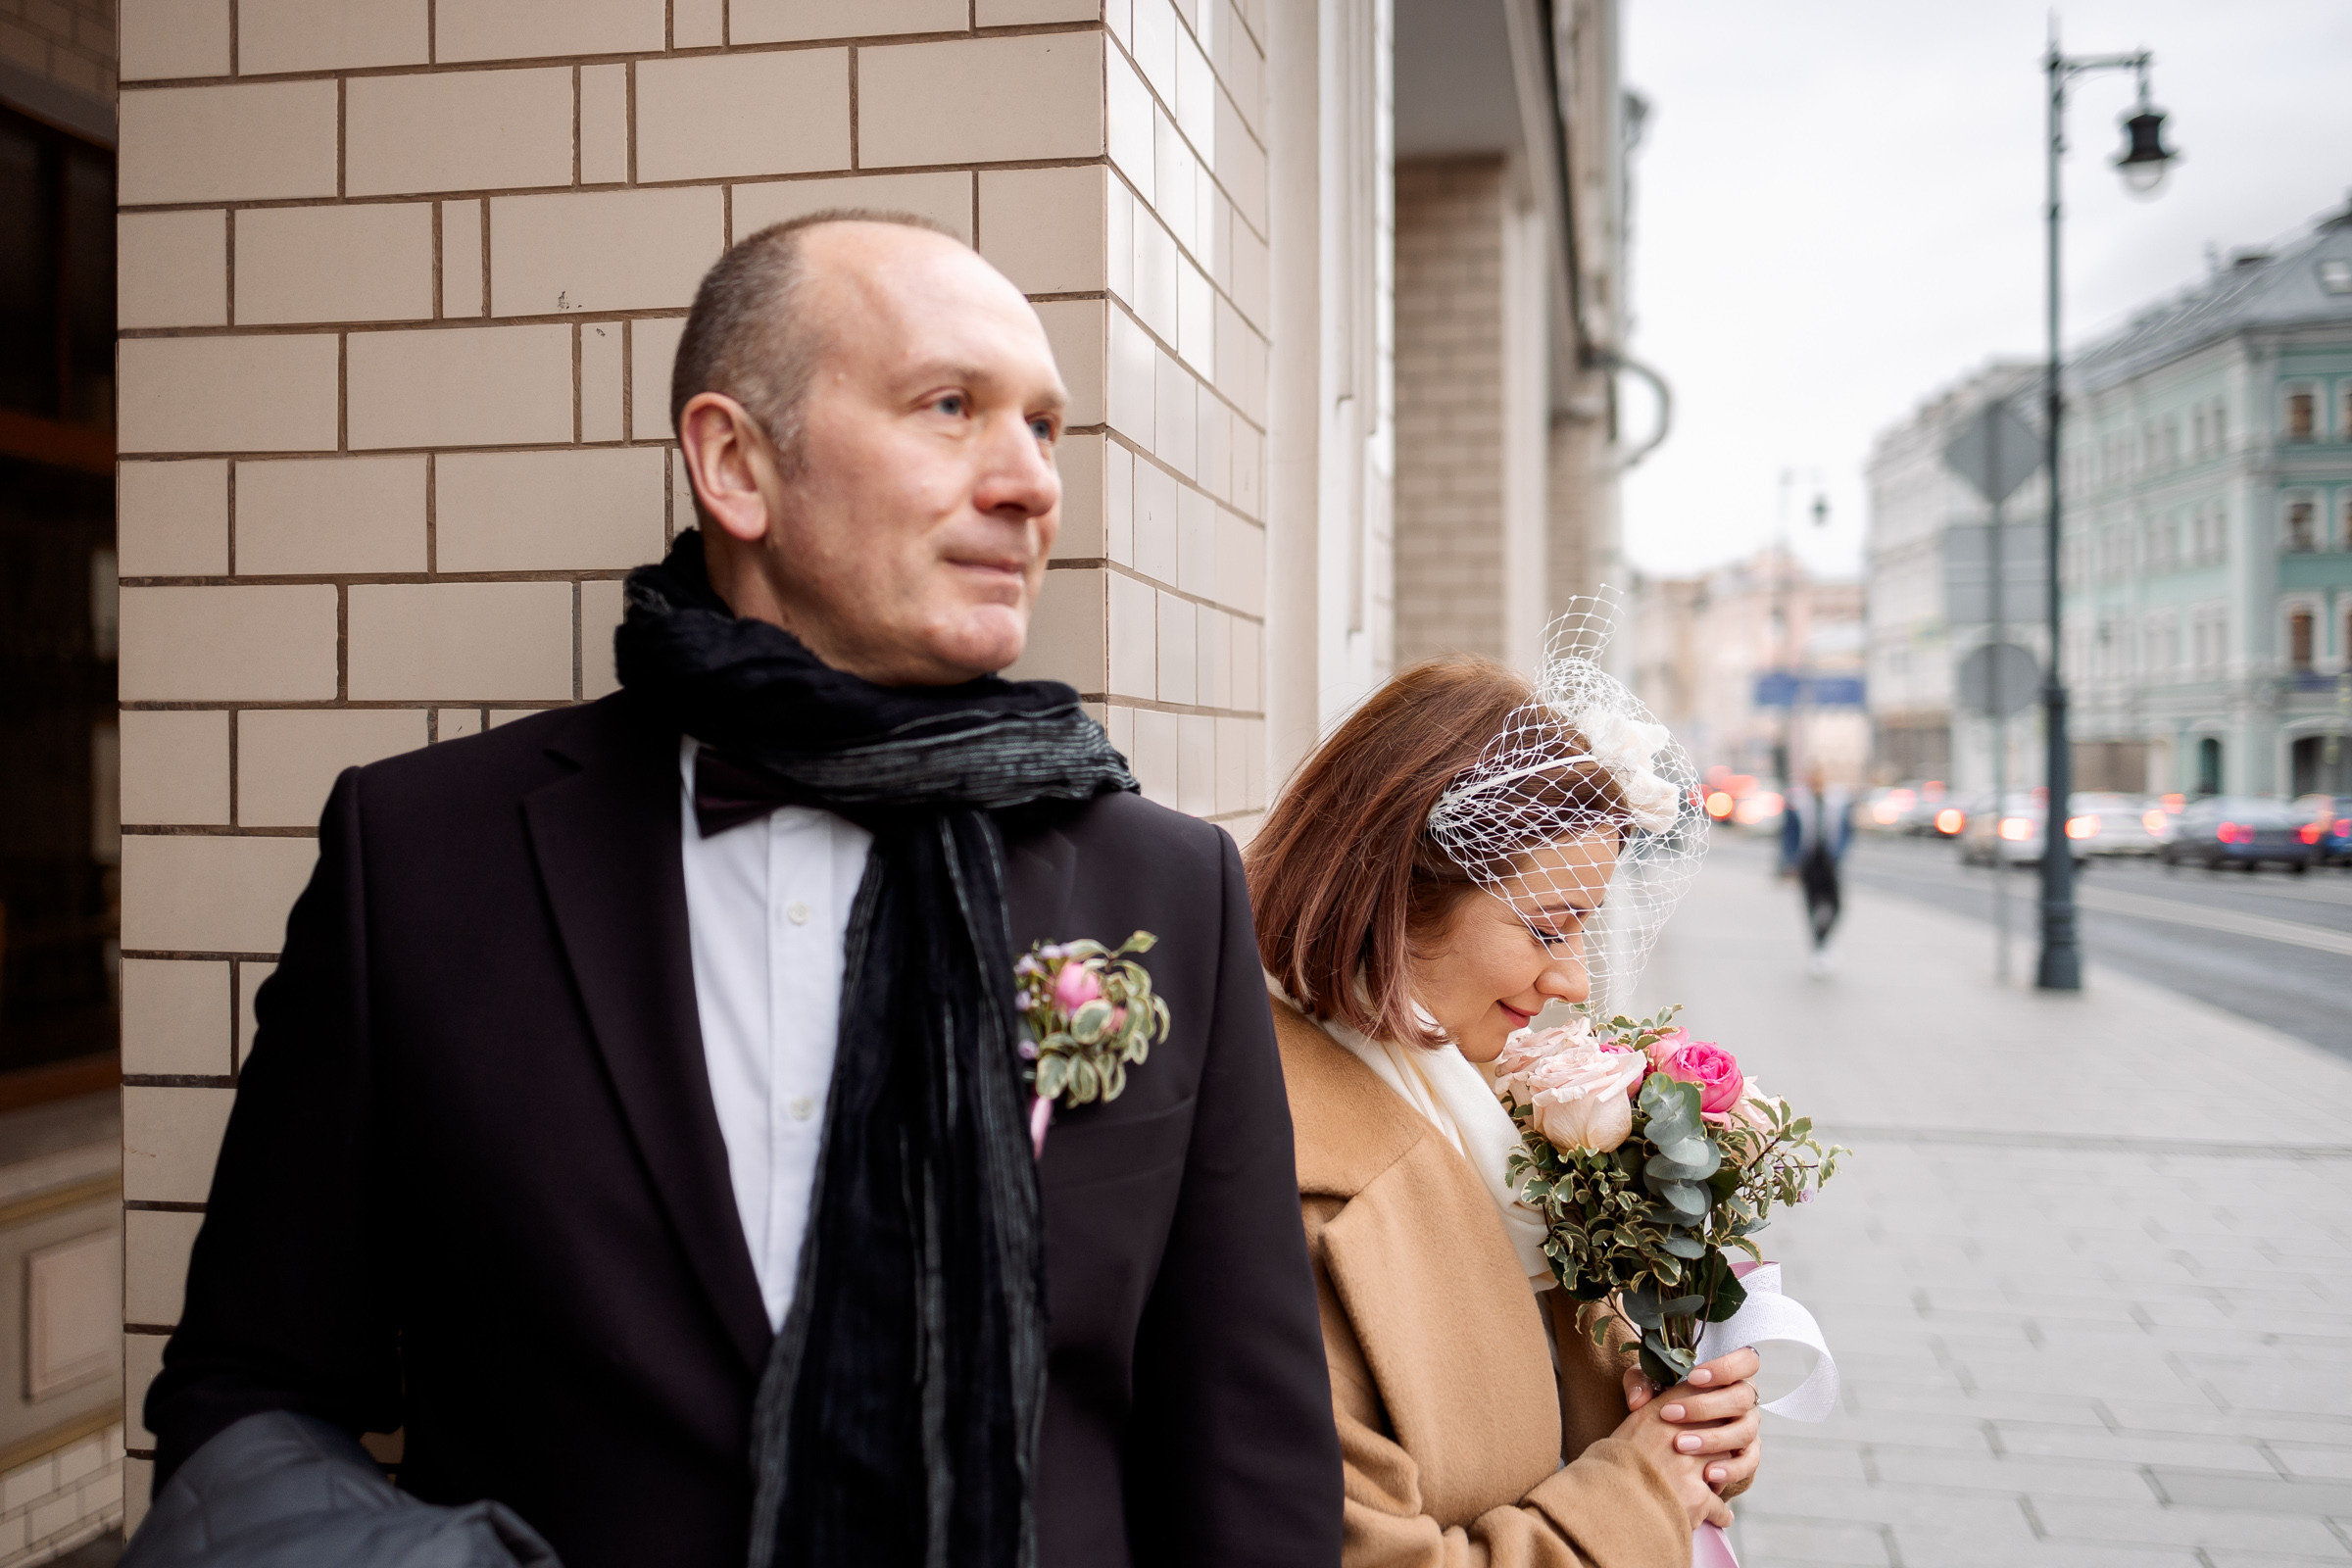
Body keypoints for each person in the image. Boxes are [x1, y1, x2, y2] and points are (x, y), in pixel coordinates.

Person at [134, 214, 1342, 1568]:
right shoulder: (420, 859)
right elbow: (250, 1391)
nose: (1028, 483)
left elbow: (1250, 1453)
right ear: (734, 465)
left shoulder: (1164, 886)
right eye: (951, 407)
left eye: (1047, 429)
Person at [1243, 655, 1763, 1566]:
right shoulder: (1277, 1175)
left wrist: (1686, 1434)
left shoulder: (1465, 1086)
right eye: (1550, 926)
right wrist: (1639, 1497)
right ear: (1396, 895)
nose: (1574, 979)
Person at [1780, 760, 1852, 976]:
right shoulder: (1798, 802)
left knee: (1836, 905)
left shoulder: (1838, 801)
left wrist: (1840, 853)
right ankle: (1818, 948)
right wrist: (1789, 862)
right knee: (1811, 905)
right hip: (1808, 861)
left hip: (1830, 861)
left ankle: (1822, 943)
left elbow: (1847, 831)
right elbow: (1788, 834)